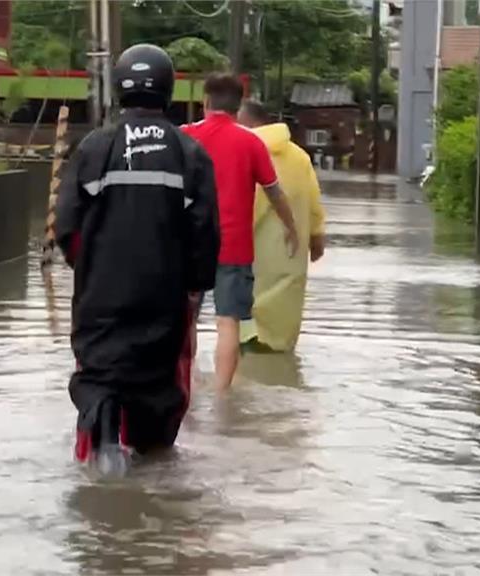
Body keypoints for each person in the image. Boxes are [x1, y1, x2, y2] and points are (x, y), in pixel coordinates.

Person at [55, 44, 219, 472]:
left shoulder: (95, 148)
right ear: (167, 89)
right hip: (164, 301)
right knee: (158, 390)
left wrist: (91, 273)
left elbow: (66, 227)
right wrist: (192, 290)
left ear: (119, 88)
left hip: (100, 302)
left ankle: (104, 445)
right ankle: (150, 471)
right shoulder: (190, 154)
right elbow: (204, 237)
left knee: (99, 377)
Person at [182, 73, 299, 390]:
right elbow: (276, 193)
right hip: (232, 247)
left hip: (186, 245)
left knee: (185, 319)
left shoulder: (183, 137)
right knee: (227, 323)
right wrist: (292, 229)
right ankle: (222, 397)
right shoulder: (251, 143)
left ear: (205, 101)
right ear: (239, 104)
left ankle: (186, 383)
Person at [237, 100, 326, 352]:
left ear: (251, 124)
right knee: (280, 345)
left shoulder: (244, 153)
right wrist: (317, 237)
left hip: (250, 257)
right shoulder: (299, 157)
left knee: (244, 340)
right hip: (291, 256)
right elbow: (313, 202)